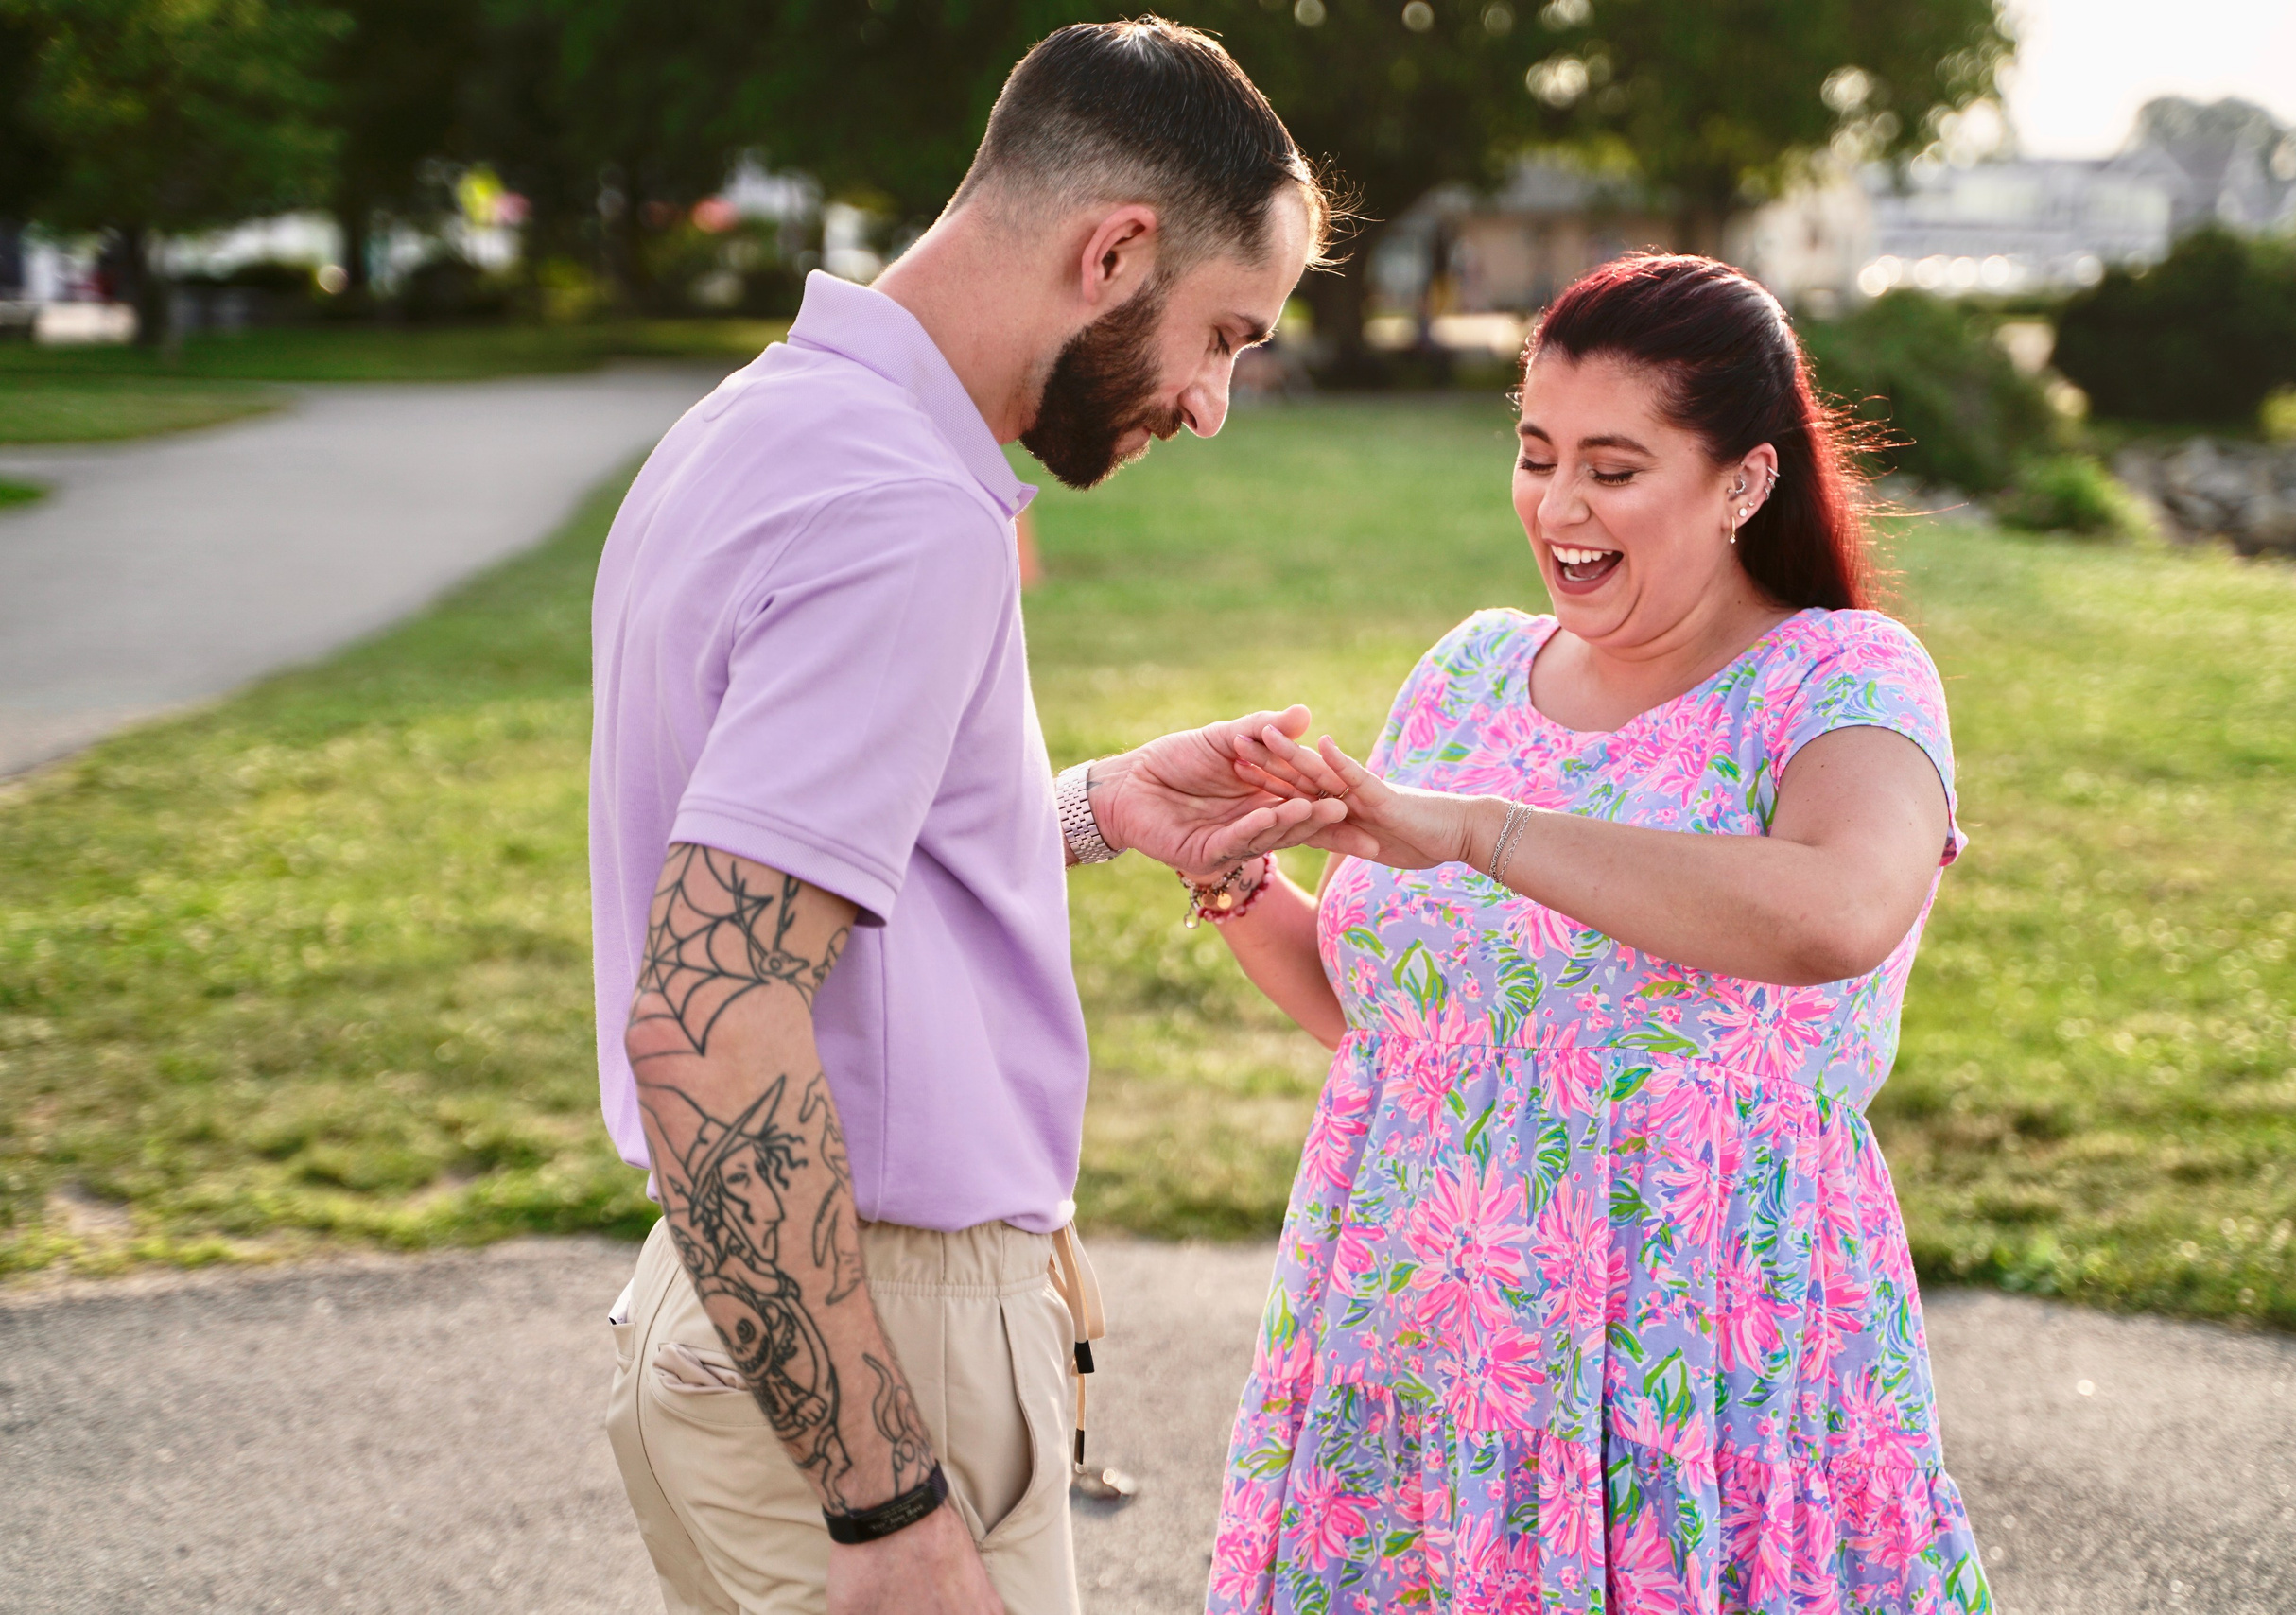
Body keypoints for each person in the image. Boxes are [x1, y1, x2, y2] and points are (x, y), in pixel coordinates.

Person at [587, 21, 1344, 1615]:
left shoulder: (758, 429)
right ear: (1116, 250)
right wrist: (891, 1514)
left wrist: (1083, 809)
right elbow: (710, 1015)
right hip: (872, 1341)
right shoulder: (904, 516)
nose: (1211, 402)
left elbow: (779, 862)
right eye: (1223, 334)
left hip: (745, 1310)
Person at [1191, 253, 1993, 1612]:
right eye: (1535, 453)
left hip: (1696, 1362)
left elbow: (1838, 913)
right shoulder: (1471, 670)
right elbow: (1410, 1029)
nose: (1558, 507)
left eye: (1614, 470)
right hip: (1428, 1350)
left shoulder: (1839, 680)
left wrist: (1477, 831)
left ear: (1744, 480)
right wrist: (1240, 880)